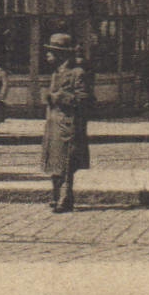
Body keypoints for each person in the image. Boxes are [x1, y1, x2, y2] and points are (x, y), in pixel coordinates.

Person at [41, 33, 92, 213]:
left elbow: (85, 98)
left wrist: (60, 97)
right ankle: (55, 196)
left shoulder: (77, 73)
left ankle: (66, 198)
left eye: (51, 52)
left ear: (61, 54)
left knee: (67, 163)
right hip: (54, 124)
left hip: (68, 125)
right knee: (54, 162)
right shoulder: (56, 73)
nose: (47, 56)